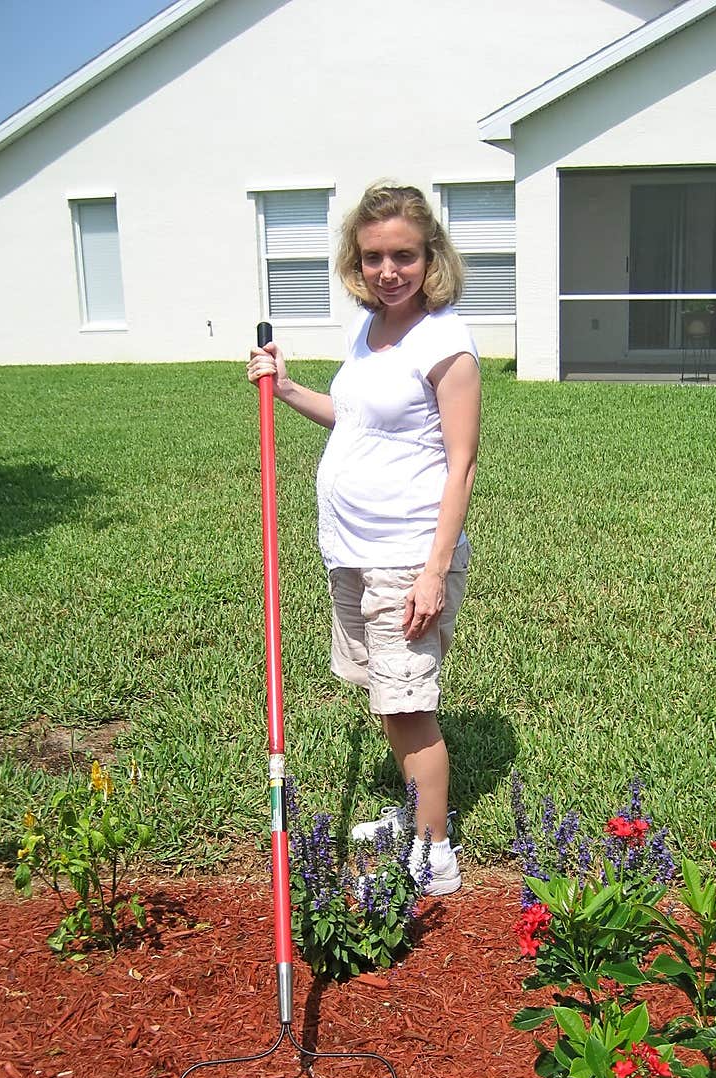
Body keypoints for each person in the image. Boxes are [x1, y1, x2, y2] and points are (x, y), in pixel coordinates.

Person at [247, 182, 480, 897]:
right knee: (387, 697)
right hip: (353, 551)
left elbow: (462, 463)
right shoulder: (373, 331)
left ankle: (435, 850)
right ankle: (414, 812)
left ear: (430, 256)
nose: (389, 270)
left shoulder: (445, 342)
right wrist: (287, 390)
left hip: (407, 556)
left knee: (409, 705)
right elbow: (353, 417)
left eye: (404, 255)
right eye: (374, 256)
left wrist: (434, 570)